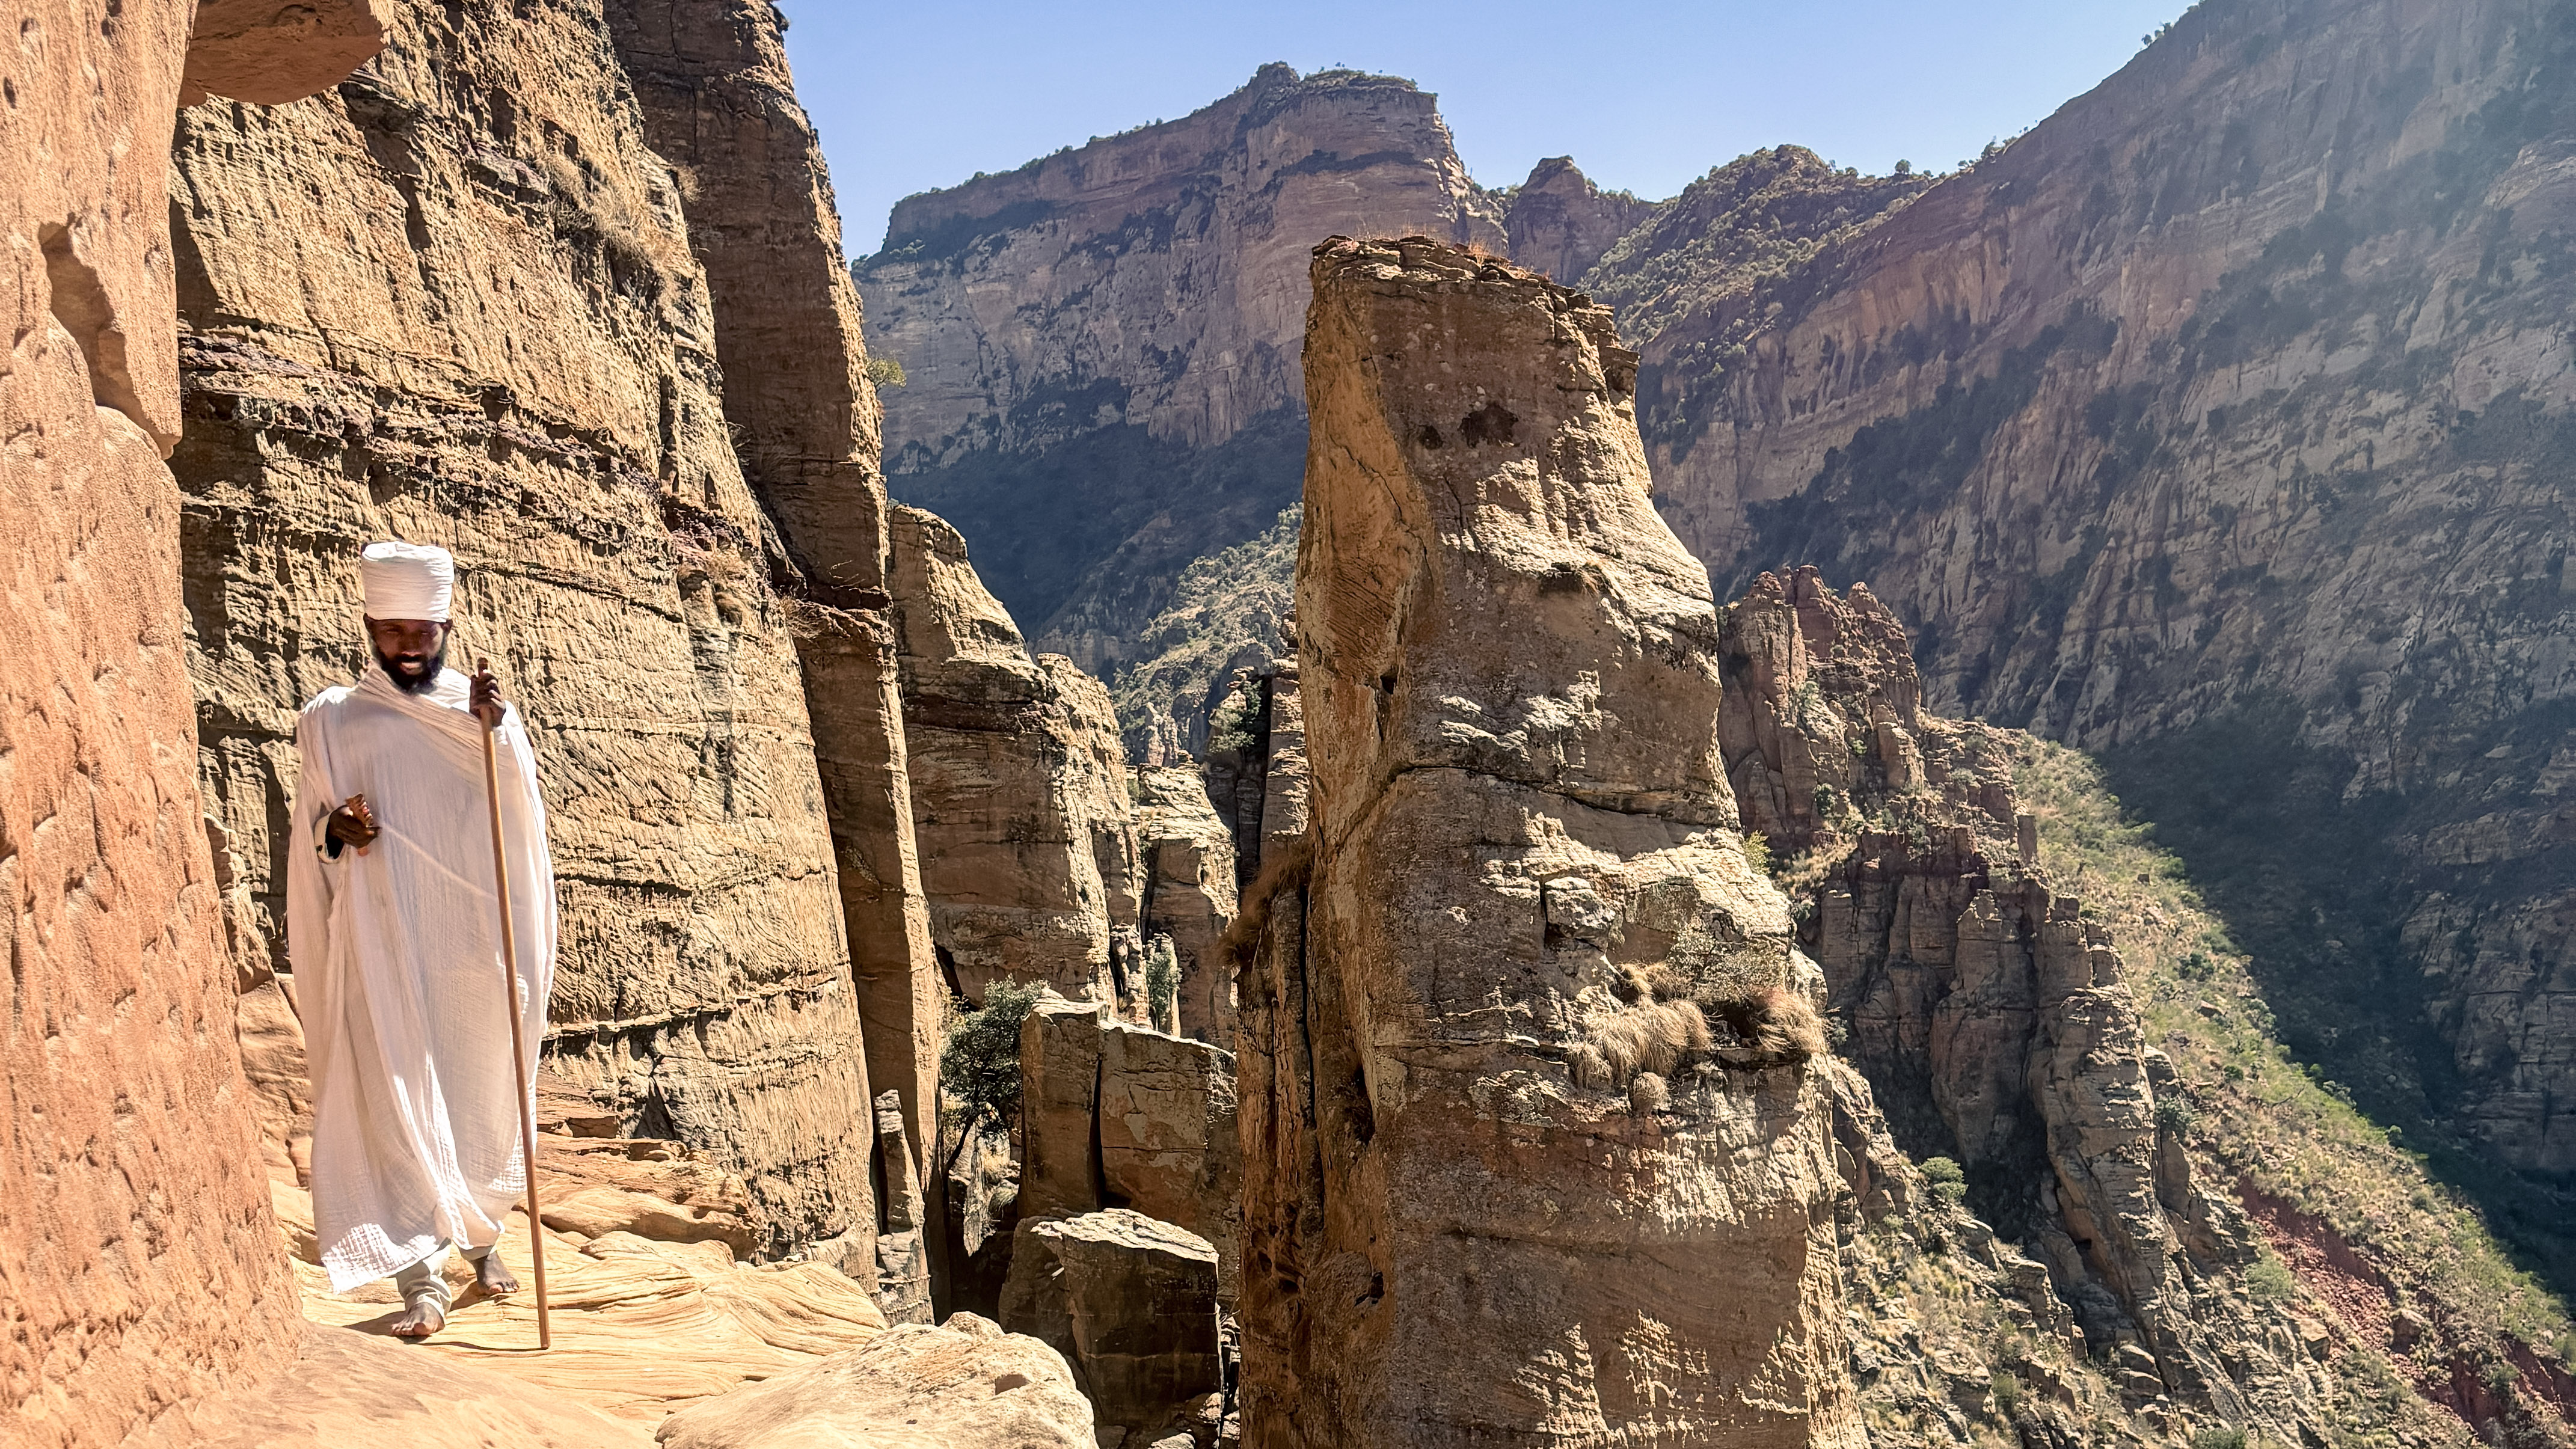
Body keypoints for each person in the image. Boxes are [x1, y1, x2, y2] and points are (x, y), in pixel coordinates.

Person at [285, 541, 557, 1340]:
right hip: (381, 946)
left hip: (469, 946)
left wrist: (497, 736)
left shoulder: (477, 718)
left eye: (423, 631)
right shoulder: (332, 720)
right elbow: (309, 838)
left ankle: (482, 1241)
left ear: (446, 625)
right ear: (370, 623)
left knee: (478, 1095)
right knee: (394, 1103)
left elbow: (519, 822)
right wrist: (337, 830)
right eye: (394, 629)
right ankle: (420, 1281)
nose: (409, 645)